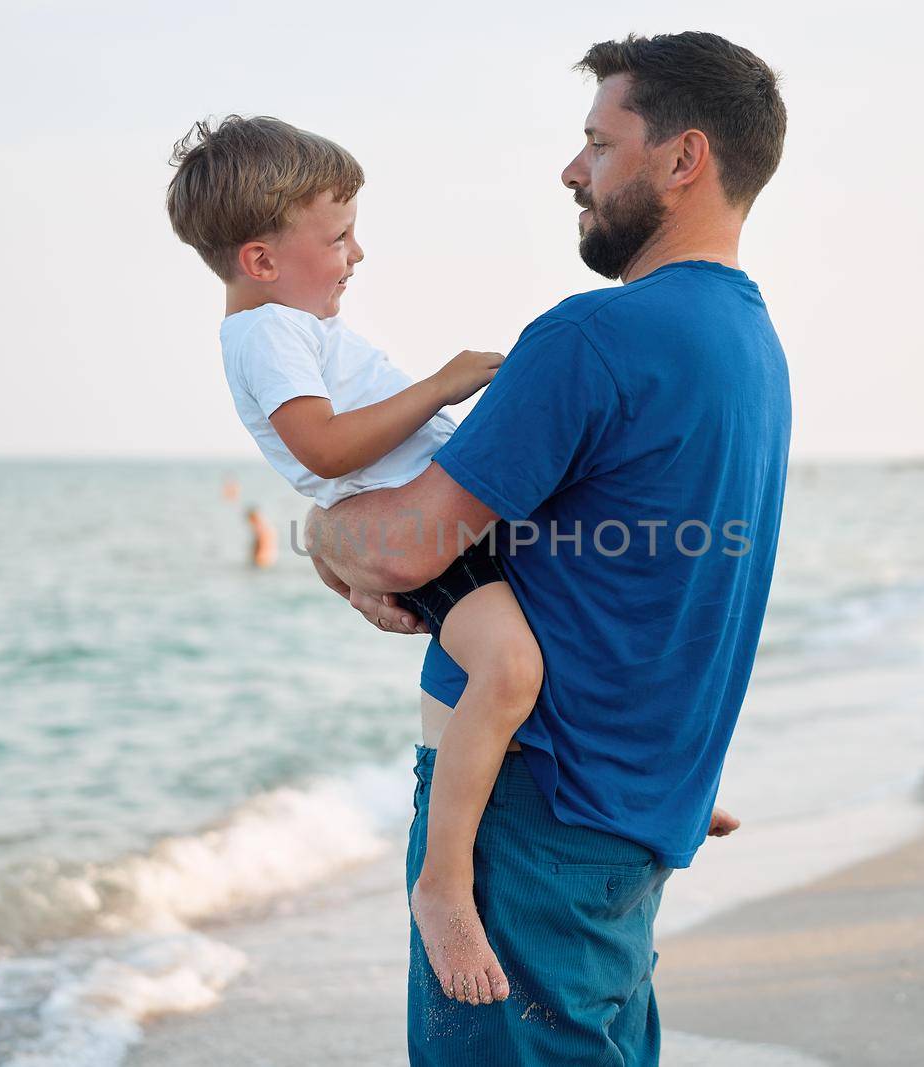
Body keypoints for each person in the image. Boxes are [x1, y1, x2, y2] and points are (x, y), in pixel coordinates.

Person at [304, 31, 788, 1064]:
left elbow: (400, 548)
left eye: (598, 143)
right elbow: (669, 579)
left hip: (533, 819)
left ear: (682, 158)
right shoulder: (751, 345)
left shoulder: (591, 337)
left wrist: (321, 530)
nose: (572, 170)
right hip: (633, 819)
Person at [166, 116, 545, 1003]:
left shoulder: (291, 327)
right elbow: (328, 451)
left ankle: (648, 789)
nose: (357, 253)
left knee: (579, 631)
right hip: (416, 529)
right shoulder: (267, 332)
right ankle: (444, 885)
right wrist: (445, 384)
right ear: (261, 259)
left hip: (448, 513)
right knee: (512, 667)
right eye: (338, 236)